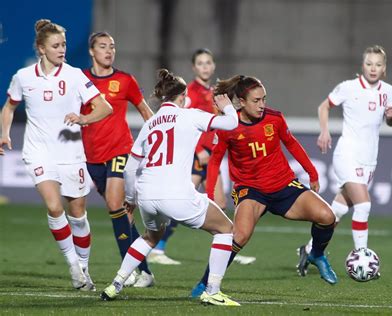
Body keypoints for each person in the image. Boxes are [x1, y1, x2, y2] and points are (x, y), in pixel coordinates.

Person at [100, 69, 241, 306]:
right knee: (226, 229)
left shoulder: (150, 123)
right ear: (183, 95)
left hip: (146, 195)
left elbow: (130, 168)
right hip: (175, 194)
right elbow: (231, 123)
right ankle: (213, 290)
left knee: (150, 237)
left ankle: (116, 283)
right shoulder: (190, 115)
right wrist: (226, 105)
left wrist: (132, 199)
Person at [190, 75, 338, 298]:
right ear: (241, 102)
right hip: (250, 190)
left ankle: (316, 254)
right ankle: (205, 283)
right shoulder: (228, 126)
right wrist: (211, 195)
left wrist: (312, 172)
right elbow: (214, 161)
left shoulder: (274, 119)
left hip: (283, 184)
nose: (262, 105)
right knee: (239, 236)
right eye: (256, 100)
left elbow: (292, 144)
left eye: (264, 99)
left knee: (327, 216)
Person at [0, 19, 112, 290]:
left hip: (71, 153)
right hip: (38, 152)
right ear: (41, 48)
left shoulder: (75, 75)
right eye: (56, 45)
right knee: (53, 206)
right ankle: (74, 266)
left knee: (78, 216)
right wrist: (4, 133)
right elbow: (9, 107)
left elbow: (104, 108)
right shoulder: (23, 77)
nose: (62, 49)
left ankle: (84, 268)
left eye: (63, 44)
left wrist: (83, 119)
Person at [296, 45, 392, 277]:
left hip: (369, 159)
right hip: (347, 154)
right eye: (369, 64)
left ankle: (309, 249)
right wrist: (324, 131)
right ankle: (363, 260)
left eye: (378, 65)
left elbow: (391, 119)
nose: (373, 68)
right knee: (363, 205)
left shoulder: (388, 91)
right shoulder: (349, 87)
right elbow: (324, 106)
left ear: (384, 68)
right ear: (363, 65)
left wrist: (391, 117)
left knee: (337, 211)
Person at [147, 48, 256, 266]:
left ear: (213, 65)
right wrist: (198, 150)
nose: (205, 66)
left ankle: (228, 246)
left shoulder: (214, 92)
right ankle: (157, 248)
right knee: (178, 202)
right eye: (200, 63)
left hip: (212, 157)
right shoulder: (190, 93)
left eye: (208, 62)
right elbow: (181, 123)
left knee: (221, 202)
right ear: (194, 67)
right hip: (196, 158)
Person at [81, 31, 155, 287]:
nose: (109, 51)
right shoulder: (80, 79)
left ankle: (129, 271)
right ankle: (143, 271)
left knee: (115, 204)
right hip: (92, 156)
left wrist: (160, 136)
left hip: (120, 149)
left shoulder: (125, 80)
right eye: (103, 47)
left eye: (112, 46)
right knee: (122, 213)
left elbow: (145, 110)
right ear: (92, 51)